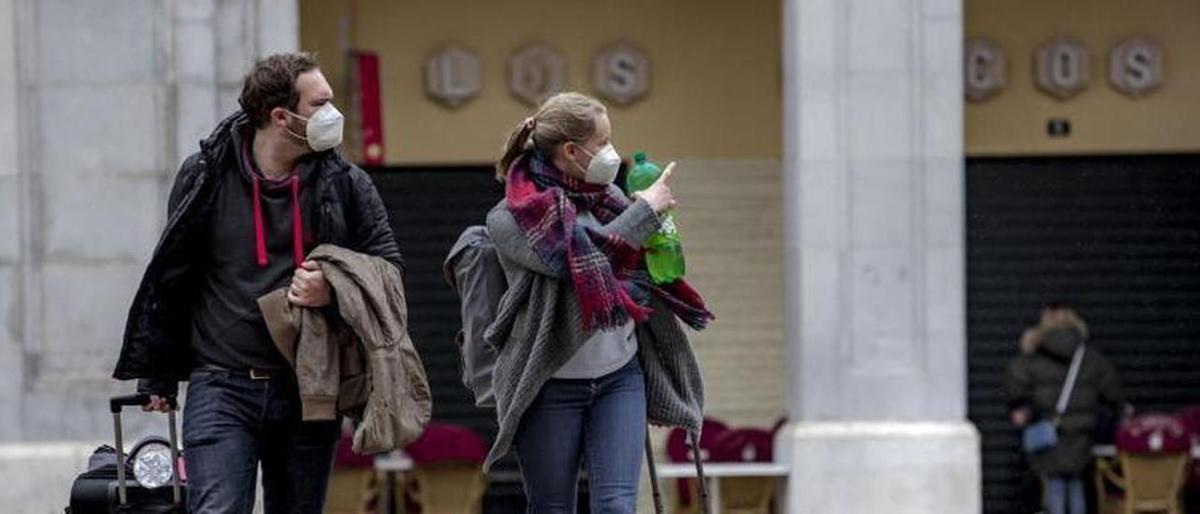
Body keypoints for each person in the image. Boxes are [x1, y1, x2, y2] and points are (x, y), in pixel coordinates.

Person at [112, 52, 404, 514]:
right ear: (281, 117)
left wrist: (334, 287)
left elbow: (388, 268)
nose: (332, 114)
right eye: (320, 103)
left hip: (310, 386)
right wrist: (158, 375)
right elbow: (173, 274)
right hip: (221, 387)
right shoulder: (206, 174)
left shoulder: (346, 183)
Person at [484, 92, 714, 513]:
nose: (613, 152)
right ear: (572, 151)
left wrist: (657, 235)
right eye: (603, 141)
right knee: (553, 507)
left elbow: (640, 278)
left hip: (619, 377)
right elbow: (574, 264)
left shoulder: (611, 201)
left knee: (617, 506)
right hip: (549, 382)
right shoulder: (512, 218)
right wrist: (644, 212)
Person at [1006, 305, 1129, 514]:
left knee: (1054, 483)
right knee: (1076, 482)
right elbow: (1111, 393)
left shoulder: (1032, 359)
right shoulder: (1090, 358)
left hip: (1050, 432)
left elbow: (1017, 388)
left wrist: (1023, 409)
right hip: (1082, 433)